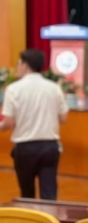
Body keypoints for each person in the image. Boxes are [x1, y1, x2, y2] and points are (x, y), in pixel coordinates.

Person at [0, 49, 68, 199]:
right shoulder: (54, 88)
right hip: (50, 147)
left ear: (25, 66)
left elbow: (9, 123)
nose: (17, 67)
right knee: (49, 195)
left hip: (25, 148)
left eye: (18, 64)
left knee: (27, 195)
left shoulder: (13, 89)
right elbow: (63, 118)